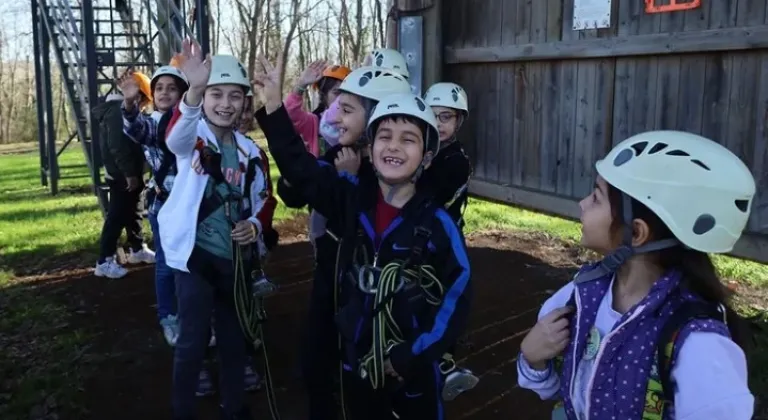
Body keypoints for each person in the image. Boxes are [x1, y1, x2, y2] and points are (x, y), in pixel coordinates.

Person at [254, 55, 472, 420]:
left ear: (427, 155)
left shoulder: (433, 220)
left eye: (408, 140)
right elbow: (301, 171)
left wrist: (415, 353)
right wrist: (276, 105)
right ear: (371, 146)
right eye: (384, 137)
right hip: (358, 354)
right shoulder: (350, 195)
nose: (393, 147)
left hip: (409, 361)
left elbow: (457, 289)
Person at [517, 131, 756, 419]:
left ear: (637, 232)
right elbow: (562, 392)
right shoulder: (581, 295)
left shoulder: (699, 346)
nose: (582, 204)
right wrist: (533, 359)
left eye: (596, 197)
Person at [275, 64, 411, 420]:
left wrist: (349, 180)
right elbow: (302, 177)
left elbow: (361, 219)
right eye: (338, 106)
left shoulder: (395, 178)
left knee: (364, 381)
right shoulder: (339, 155)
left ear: (378, 119)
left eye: (347, 110)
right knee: (316, 364)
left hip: (366, 300)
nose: (335, 117)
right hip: (330, 281)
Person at [157, 38, 274, 420]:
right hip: (195, 259)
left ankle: (234, 407)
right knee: (191, 340)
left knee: (233, 338)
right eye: (215, 94)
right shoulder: (194, 141)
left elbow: (264, 200)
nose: (225, 104)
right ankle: (182, 410)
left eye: (234, 96)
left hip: (234, 261)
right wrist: (191, 92)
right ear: (204, 99)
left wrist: (255, 226)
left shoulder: (250, 152)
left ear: (244, 103)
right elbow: (176, 138)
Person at [119, 65, 189, 345]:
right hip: (165, 204)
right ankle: (169, 317)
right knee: (166, 264)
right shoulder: (152, 122)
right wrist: (128, 103)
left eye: (172, 88)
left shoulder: (192, 120)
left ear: (183, 94)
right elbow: (136, 129)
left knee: (195, 262)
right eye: (159, 88)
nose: (164, 93)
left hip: (194, 205)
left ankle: (196, 314)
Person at [93, 78, 156, 279]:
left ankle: (137, 248)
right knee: (117, 216)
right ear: (138, 96)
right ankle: (104, 261)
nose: (144, 107)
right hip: (122, 175)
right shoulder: (117, 113)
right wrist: (129, 174)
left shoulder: (118, 111)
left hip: (130, 172)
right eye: (144, 101)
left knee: (134, 211)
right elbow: (118, 147)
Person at [284, 60, 351, 156]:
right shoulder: (314, 122)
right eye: (337, 92)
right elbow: (291, 113)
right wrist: (301, 84)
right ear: (324, 95)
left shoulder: (356, 122)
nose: (342, 98)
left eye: (347, 93)